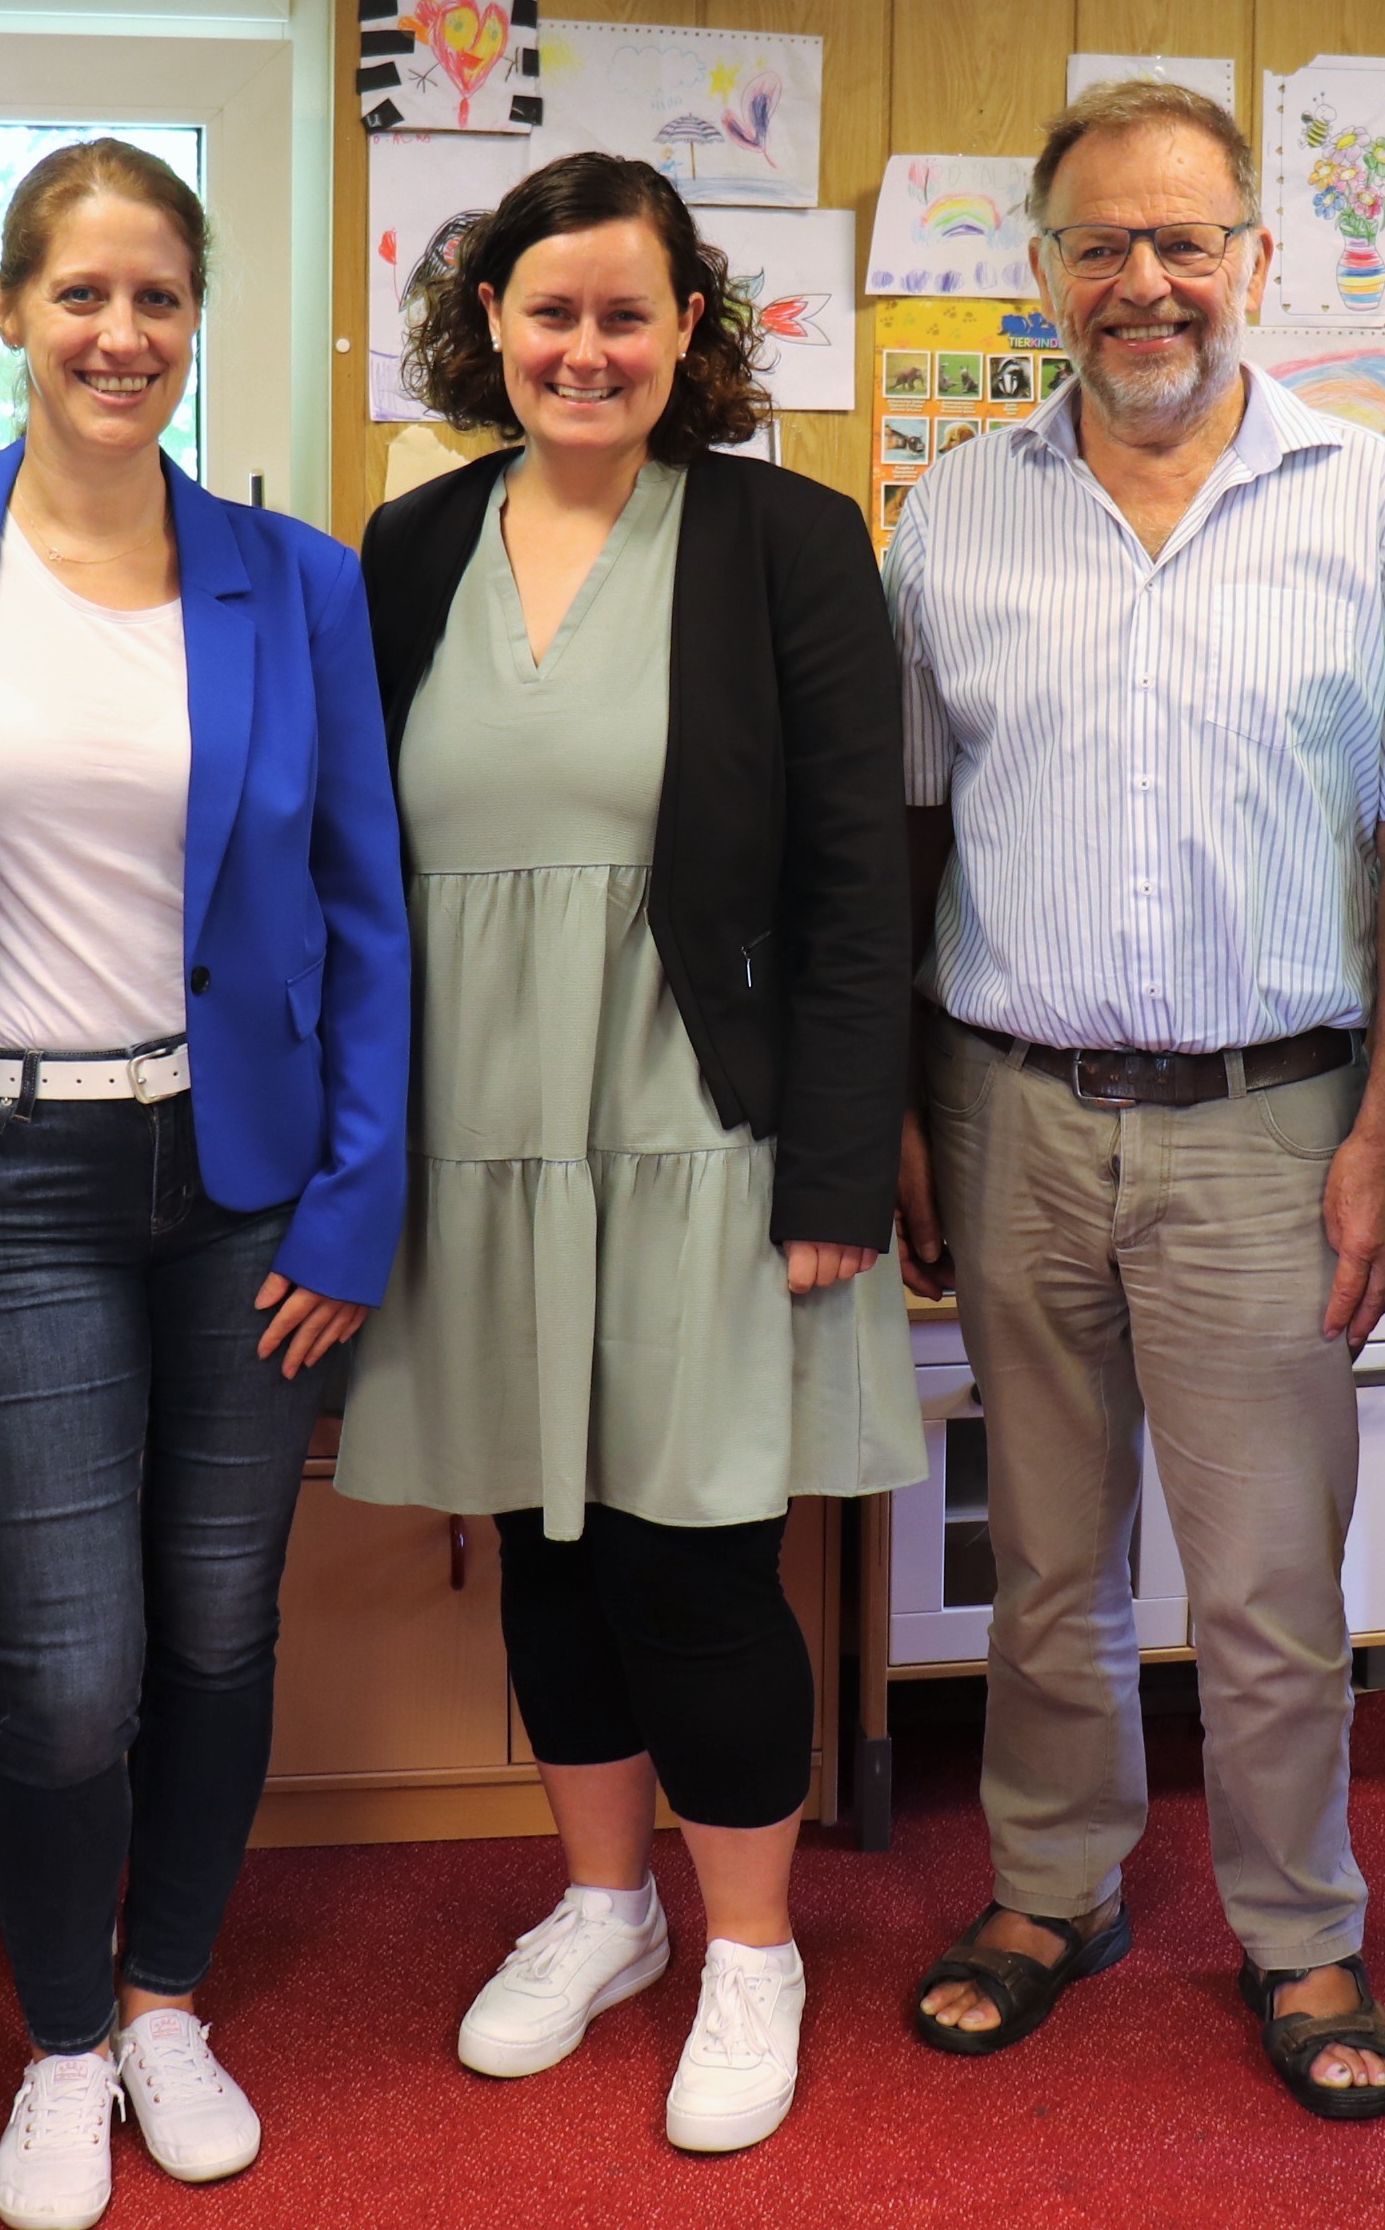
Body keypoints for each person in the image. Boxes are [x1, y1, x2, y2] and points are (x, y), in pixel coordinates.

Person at [0, 140, 408, 2230]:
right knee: (70, 1660)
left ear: (195, 317)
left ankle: (169, 1994)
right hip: (4, 1181)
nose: (120, 332)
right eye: (81, 291)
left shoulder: (293, 575)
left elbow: (364, 908)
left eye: (158, 295)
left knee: (223, 1622)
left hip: (241, 1179)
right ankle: (63, 2040)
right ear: (8, 309)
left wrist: (354, 1201)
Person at [889, 77, 1385, 2119]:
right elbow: (905, 826)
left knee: (1265, 1581)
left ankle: (1300, 1924)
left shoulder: (1382, 510)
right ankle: (1055, 1887)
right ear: (1044, 270)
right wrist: (898, 1095)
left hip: (1271, 1115)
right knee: (1046, 1557)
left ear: (1257, 257)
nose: (1145, 281)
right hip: (1011, 1100)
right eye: (1101, 246)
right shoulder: (951, 511)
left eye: (1183, 240)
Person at [339, 151, 920, 2154]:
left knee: (693, 1556)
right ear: (487, 326)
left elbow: (867, 875)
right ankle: (607, 1908)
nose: (586, 346)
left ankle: (750, 1941)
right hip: (475, 1131)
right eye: (549, 310)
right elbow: (350, 869)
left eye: (627, 311)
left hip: (701, 1123)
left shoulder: (784, 540)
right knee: (544, 1545)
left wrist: (843, 1170)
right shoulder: (406, 549)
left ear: (692, 333)